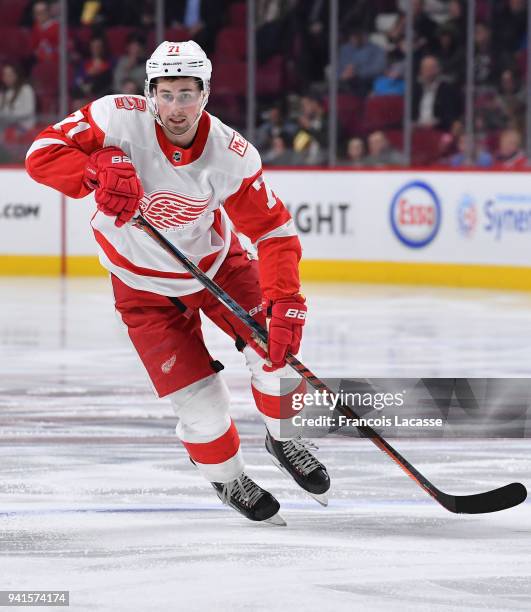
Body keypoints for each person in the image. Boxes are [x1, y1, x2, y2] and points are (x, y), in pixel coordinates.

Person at [25, 40, 330, 525]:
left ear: (206, 93)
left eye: (187, 94)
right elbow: (41, 154)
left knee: (277, 360)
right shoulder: (114, 118)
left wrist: (286, 299)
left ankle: (284, 437)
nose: (176, 108)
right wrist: (91, 168)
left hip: (218, 268)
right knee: (203, 407)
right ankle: (229, 477)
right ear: (150, 93)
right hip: (141, 286)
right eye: (166, 95)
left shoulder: (232, 154)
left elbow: (273, 231)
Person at [0, 65, 36, 131]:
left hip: (23, 128)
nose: (6, 78)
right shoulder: (3, 93)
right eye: (5, 75)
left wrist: (10, 116)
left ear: (16, 75)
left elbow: (28, 111)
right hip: (6, 126)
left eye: (9, 75)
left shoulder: (26, 89)